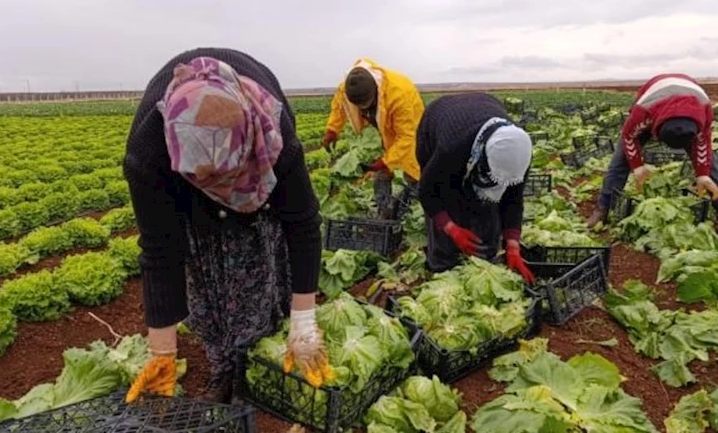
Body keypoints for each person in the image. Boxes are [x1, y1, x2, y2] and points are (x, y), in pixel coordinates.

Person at [122, 49, 331, 404]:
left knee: (258, 271)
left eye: (226, 178)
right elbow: (160, 250)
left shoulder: (273, 130)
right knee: (204, 289)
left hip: (257, 181)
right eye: (211, 182)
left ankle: (253, 367)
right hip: (190, 202)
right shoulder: (148, 153)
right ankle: (223, 368)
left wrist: (305, 322)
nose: (222, 192)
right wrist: (162, 351)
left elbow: (303, 223)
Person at [587, 73, 718, 233]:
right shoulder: (643, 111)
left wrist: (702, 174)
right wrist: (637, 166)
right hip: (654, 108)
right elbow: (628, 136)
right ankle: (603, 207)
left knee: (709, 161)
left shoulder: (704, 111)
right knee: (621, 159)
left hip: (689, 113)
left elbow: (703, 144)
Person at [416, 92, 536, 283]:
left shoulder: (518, 152)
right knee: (448, 197)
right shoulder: (450, 148)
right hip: (437, 122)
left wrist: (513, 245)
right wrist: (451, 228)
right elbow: (427, 191)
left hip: (483, 107)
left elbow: (513, 198)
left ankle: (485, 256)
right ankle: (440, 265)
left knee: (487, 209)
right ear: (484, 158)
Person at [322, 58, 424, 219]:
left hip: (408, 130)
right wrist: (332, 130)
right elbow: (339, 106)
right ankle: (385, 215)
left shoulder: (399, 94)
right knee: (381, 176)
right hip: (381, 128)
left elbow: (407, 137)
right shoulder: (349, 86)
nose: (362, 109)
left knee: (412, 173)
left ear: (376, 92)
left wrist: (385, 162)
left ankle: (411, 215)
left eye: (365, 105)